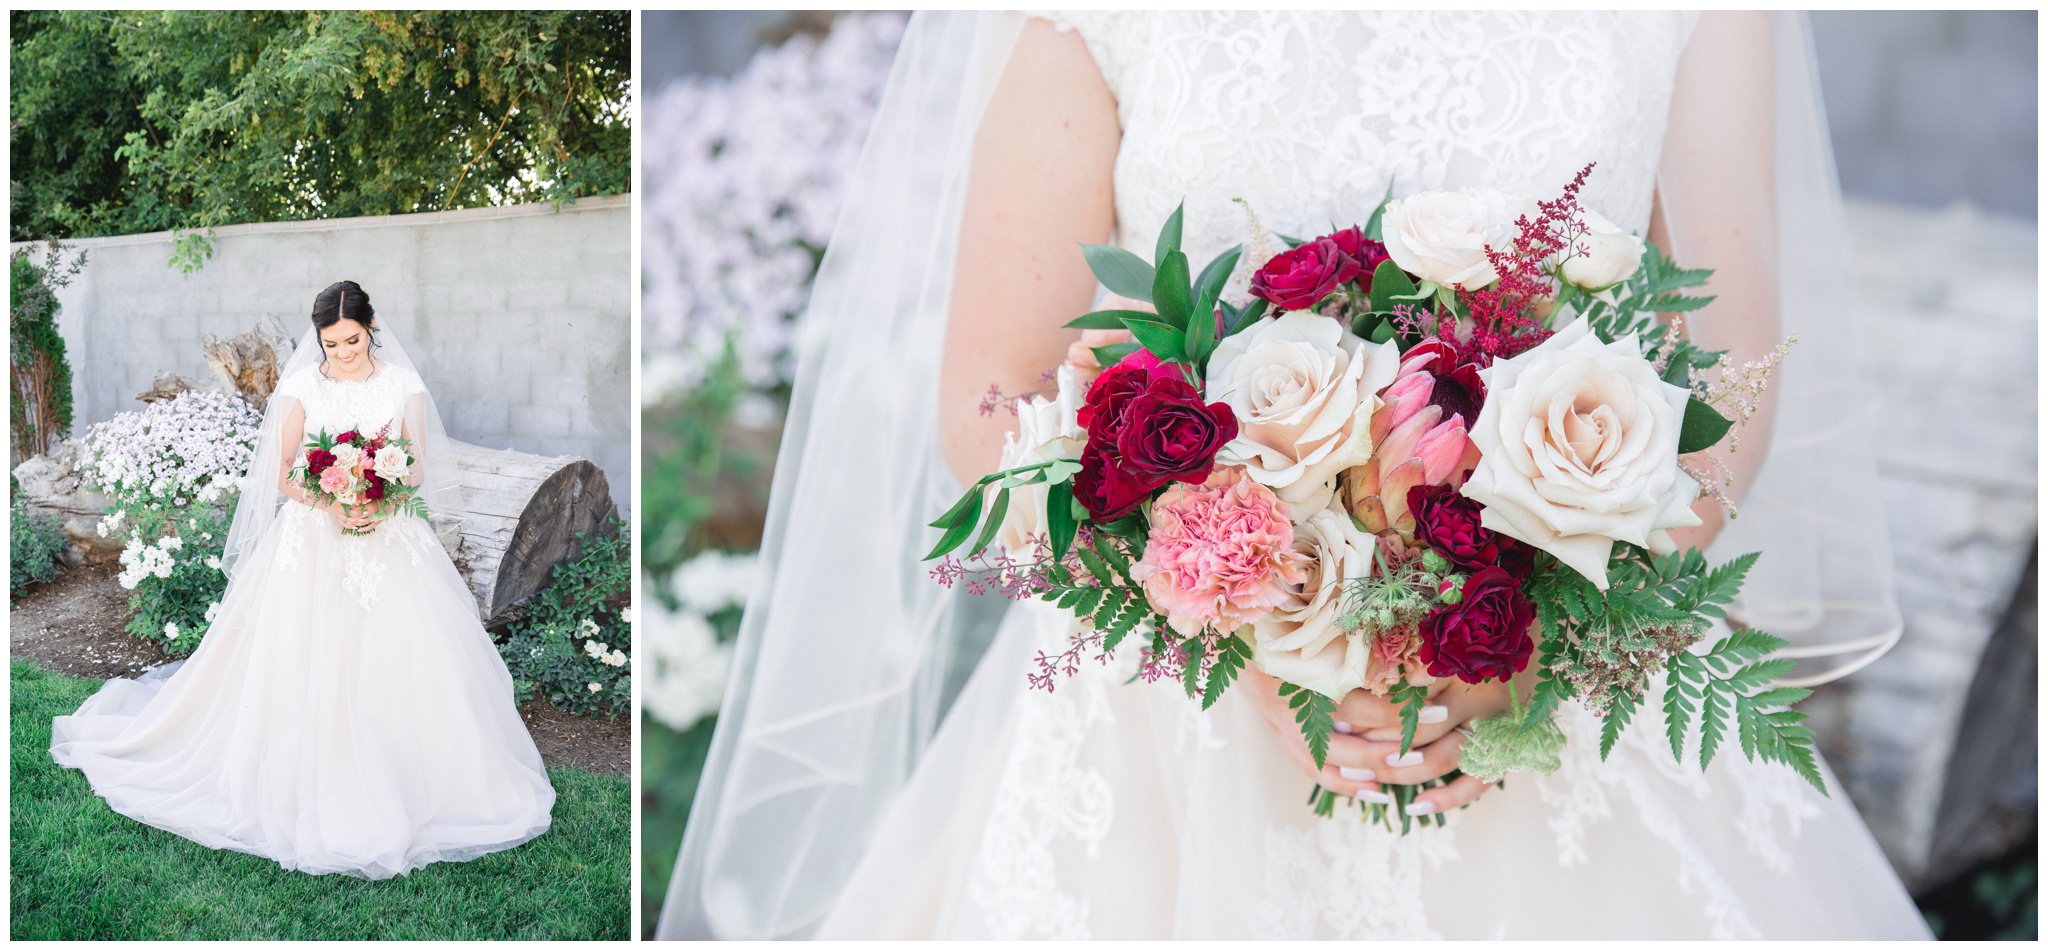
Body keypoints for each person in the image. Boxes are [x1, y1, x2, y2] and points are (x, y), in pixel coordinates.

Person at [662, 12, 1923, 938]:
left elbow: (1723, 387)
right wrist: (1259, 612)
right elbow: (992, 395)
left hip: (1562, 692)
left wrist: (1515, 639)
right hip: (1170, 726)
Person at [51, 281, 555, 880]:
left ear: (372, 327)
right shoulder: (303, 384)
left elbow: (416, 462)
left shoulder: (402, 385)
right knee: (300, 655)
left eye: (352, 339)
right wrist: (333, 502)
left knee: (404, 655)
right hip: (312, 536)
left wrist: (382, 495)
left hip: (388, 533)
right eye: (330, 341)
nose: (342, 351)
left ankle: (414, 774)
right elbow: (284, 471)